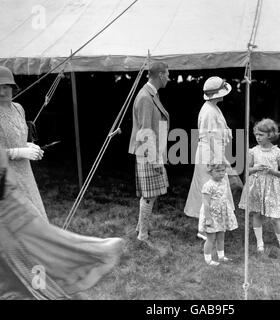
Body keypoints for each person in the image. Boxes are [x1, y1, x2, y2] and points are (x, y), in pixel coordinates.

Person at [0, 146, 125, 300]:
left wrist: (23, 146)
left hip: (14, 207)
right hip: (10, 219)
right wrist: (15, 152)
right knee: (30, 275)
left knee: (36, 273)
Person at [184, 76, 240, 240]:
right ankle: (204, 228)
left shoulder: (213, 107)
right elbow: (211, 137)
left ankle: (210, 224)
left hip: (212, 151)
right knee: (208, 189)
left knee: (214, 190)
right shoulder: (208, 110)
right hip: (209, 154)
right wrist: (220, 160)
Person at [128, 61, 170, 242]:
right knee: (150, 194)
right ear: (160, 75)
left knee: (151, 193)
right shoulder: (145, 97)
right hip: (148, 152)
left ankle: (140, 228)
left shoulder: (151, 94)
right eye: (167, 74)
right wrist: (154, 160)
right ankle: (142, 235)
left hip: (152, 150)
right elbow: (145, 131)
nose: (169, 78)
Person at [0, 66, 47, 220]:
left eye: (5, 87)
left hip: (25, 174)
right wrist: (20, 152)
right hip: (6, 178)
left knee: (37, 220)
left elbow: (16, 139)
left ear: (13, 88)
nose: (2, 92)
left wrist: (28, 146)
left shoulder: (19, 108)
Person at [239, 118, 280, 255]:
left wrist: (273, 171)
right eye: (256, 134)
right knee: (257, 214)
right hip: (256, 186)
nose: (257, 137)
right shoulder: (253, 151)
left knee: (275, 218)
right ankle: (259, 243)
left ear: (270, 135)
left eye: (261, 135)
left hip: (272, 187)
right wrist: (255, 168)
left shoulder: (278, 153)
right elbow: (247, 170)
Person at [199, 163, 238, 266]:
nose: (221, 173)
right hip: (212, 214)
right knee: (211, 238)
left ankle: (221, 256)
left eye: (223, 171)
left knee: (221, 236)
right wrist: (208, 218)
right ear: (210, 172)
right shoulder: (208, 186)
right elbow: (206, 203)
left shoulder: (224, 182)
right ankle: (208, 259)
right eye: (217, 171)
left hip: (222, 213)